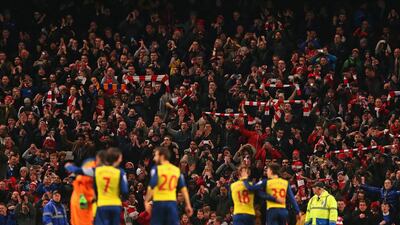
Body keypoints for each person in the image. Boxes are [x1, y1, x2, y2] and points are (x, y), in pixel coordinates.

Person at [65, 148, 128, 225]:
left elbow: (79, 171)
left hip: (101, 205)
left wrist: (68, 166)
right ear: (118, 159)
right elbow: (125, 191)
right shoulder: (120, 172)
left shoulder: (97, 171)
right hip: (115, 205)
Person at [144, 147, 193, 225]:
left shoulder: (156, 169)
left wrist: (146, 201)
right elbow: (184, 189)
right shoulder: (176, 170)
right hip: (171, 204)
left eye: (156, 155)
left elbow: (151, 186)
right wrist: (188, 204)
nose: (154, 158)